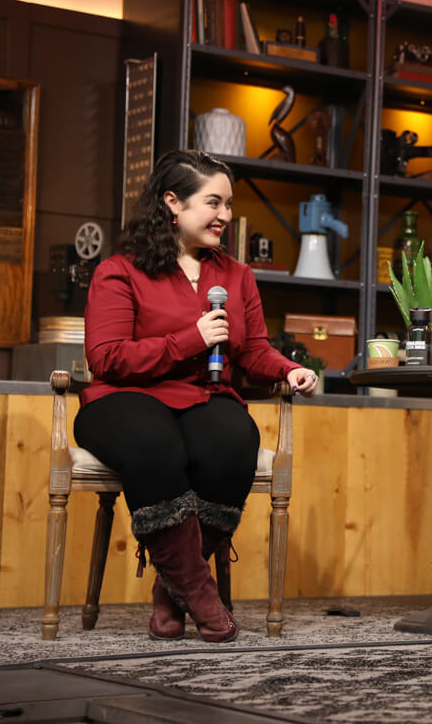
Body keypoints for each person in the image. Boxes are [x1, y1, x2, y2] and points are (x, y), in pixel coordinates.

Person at [75, 150, 319, 642]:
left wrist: (291, 369)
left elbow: (252, 351)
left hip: (203, 395)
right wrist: (191, 337)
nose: (225, 216)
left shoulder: (236, 275)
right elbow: (108, 357)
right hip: (124, 397)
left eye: (228, 205)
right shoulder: (119, 271)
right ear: (173, 202)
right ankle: (201, 593)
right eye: (214, 202)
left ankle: (171, 588)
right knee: (155, 445)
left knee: (232, 441)